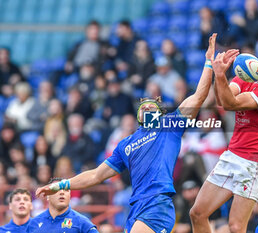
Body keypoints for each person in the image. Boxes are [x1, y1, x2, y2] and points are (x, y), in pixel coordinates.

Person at [36, 34, 234, 233]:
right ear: (139, 115)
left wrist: (208, 63)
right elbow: (96, 175)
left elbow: (198, 96)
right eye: (144, 106)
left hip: (157, 205)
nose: (148, 107)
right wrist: (63, 184)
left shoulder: (169, 126)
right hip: (135, 210)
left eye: (153, 106)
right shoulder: (125, 144)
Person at [190, 47, 258, 233]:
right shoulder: (247, 78)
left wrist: (221, 75)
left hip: (253, 163)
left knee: (236, 226)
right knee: (197, 213)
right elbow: (222, 100)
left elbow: (232, 104)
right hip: (232, 155)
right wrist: (219, 73)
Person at [27, 178, 97, 233]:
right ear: (48, 196)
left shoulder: (82, 222)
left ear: (69, 196)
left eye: (66, 190)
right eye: (56, 189)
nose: (62, 192)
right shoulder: (34, 223)